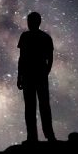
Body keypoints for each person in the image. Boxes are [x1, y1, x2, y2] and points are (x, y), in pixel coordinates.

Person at [17, 11, 56, 142]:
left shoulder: (44, 37)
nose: (29, 24)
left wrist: (46, 72)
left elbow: (50, 58)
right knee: (31, 107)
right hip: (31, 75)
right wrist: (19, 76)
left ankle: (48, 135)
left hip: (37, 75)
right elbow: (21, 58)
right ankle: (33, 137)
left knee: (42, 106)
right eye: (28, 21)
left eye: (31, 21)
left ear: (37, 22)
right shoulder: (26, 36)